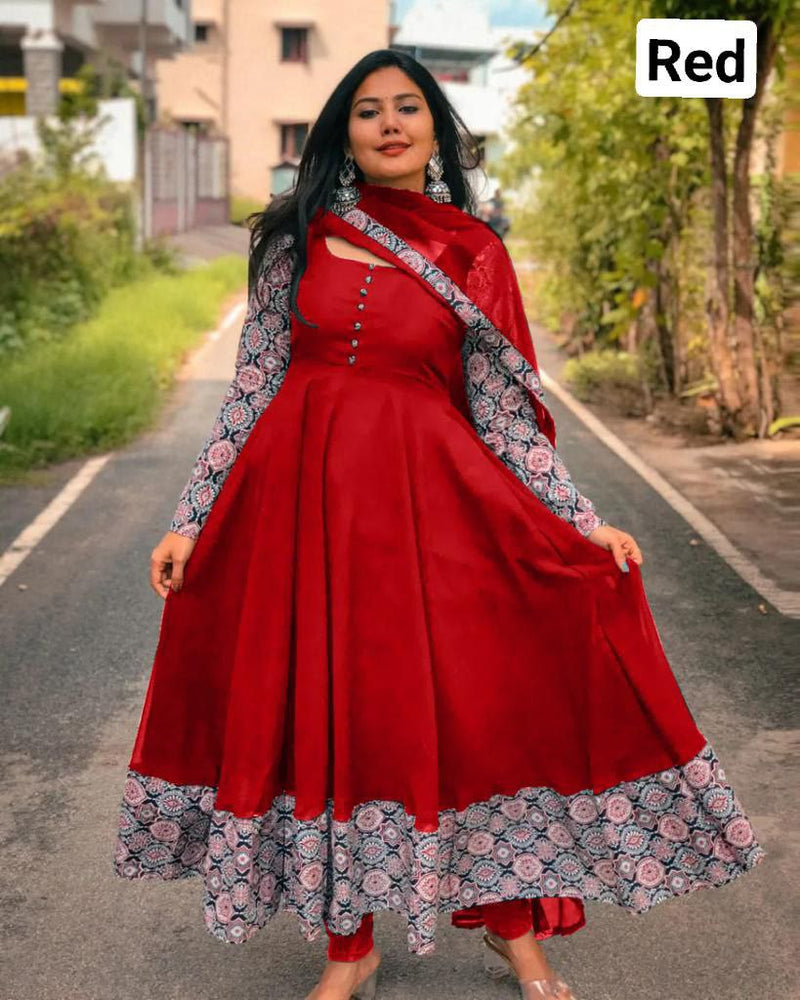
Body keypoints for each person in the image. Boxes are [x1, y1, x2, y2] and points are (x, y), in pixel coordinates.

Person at [112, 50, 766, 1000]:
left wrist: (581, 524)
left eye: (407, 108)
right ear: (344, 131)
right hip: (299, 519)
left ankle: (515, 929)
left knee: (470, 709)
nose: (388, 123)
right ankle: (351, 947)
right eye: (368, 110)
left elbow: (506, 414)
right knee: (331, 717)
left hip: (432, 517)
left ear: (435, 131)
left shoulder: (473, 253)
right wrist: (191, 518)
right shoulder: (298, 239)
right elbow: (251, 391)